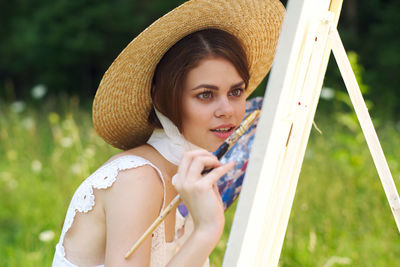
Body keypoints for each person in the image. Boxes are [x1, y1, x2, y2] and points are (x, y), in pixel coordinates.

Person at [52, 0, 285, 266]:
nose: (227, 110)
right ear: (163, 99)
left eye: (236, 91)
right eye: (205, 95)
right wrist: (206, 230)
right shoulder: (137, 178)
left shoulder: (189, 175)